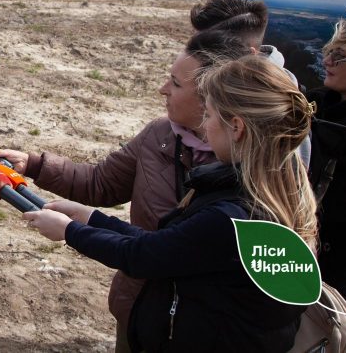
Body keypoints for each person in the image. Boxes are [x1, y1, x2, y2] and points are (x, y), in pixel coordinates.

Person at [24, 55, 316, 352]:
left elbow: (142, 256)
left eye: (210, 115)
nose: (206, 125)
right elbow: (170, 246)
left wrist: (70, 231)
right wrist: (92, 218)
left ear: (237, 127)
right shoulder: (276, 195)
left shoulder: (232, 218)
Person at [0, 30, 248, 351]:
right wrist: (35, 165)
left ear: (213, 97)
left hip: (204, 330)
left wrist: (71, 231)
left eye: (175, 84)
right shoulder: (158, 135)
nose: (162, 89)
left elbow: (150, 252)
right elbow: (102, 183)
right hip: (141, 310)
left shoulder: (249, 189)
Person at [309, 14, 346, 306]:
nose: (327, 61)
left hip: (339, 258)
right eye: (329, 52)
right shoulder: (314, 104)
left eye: (340, 56)